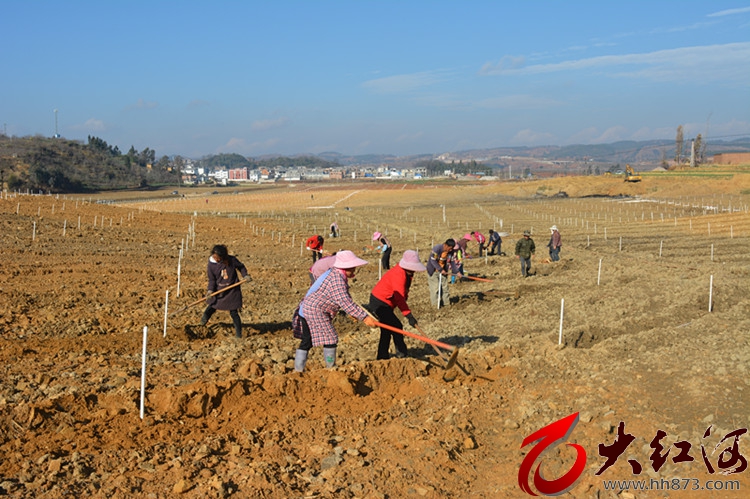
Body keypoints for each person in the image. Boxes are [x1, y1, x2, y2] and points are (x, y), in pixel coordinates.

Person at [292, 251, 378, 372]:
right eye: (352, 268)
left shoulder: (334, 273)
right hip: (314, 310)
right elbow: (345, 301)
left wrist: (352, 313)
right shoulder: (337, 279)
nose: (354, 270)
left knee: (307, 340)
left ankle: (298, 370)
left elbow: (344, 299)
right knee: (331, 338)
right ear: (345, 267)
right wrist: (365, 317)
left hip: (306, 309)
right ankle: (330, 369)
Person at [369, 250, 426, 360]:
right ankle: (401, 354)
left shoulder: (406, 273)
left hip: (386, 302)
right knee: (396, 326)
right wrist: (409, 315)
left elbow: (402, 294)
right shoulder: (399, 274)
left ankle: (383, 356)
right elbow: (399, 298)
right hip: (379, 302)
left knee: (387, 329)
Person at [200, 244, 249, 338]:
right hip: (219, 291)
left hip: (232, 291)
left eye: (218, 257)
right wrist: (210, 291)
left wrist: (245, 275)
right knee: (211, 307)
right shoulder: (211, 265)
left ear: (223, 257)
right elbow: (212, 280)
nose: (216, 259)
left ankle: (238, 335)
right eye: (214, 257)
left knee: (234, 312)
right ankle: (201, 324)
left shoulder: (231, 260)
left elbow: (241, 267)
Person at [426, 239, 459, 307]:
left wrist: (456, 272)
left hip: (444, 271)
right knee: (435, 288)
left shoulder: (451, 252)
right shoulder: (437, 248)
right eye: (450, 248)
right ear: (446, 245)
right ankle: (435, 306)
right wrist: (440, 269)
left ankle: (446, 304)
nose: (450, 250)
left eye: (452, 249)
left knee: (445, 288)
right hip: (433, 271)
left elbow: (452, 262)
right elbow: (433, 261)